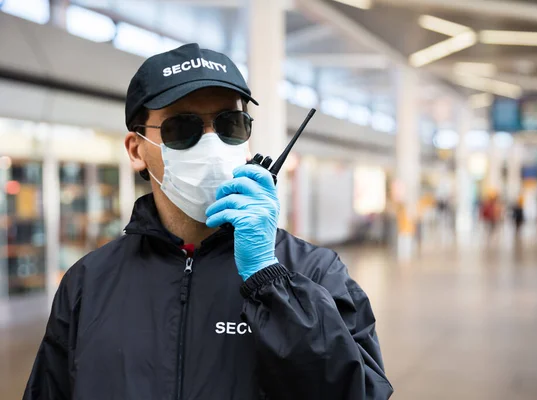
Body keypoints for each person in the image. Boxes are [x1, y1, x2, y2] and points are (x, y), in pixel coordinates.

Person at [23, 44, 393, 399]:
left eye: (230, 122)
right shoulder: (89, 283)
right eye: (183, 128)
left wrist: (270, 282)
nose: (213, 143)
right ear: (137, 150)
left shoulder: (314, 273)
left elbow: (355, 390)